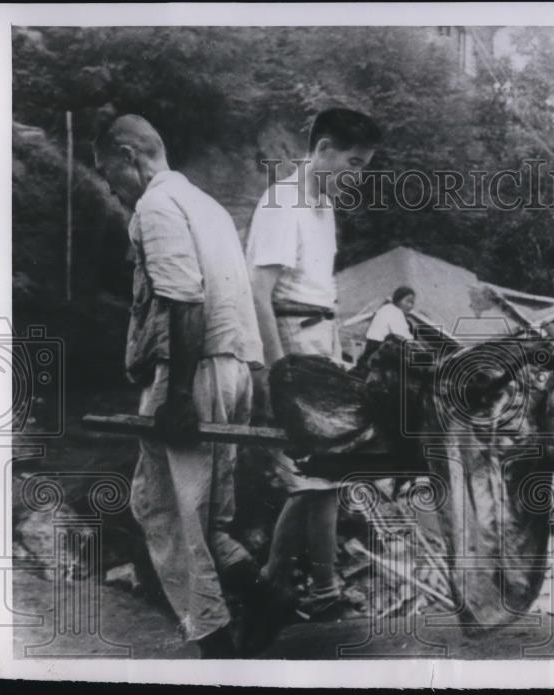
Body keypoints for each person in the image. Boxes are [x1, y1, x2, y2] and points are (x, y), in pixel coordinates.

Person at [94, 115, 272, 658]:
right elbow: (236, 300)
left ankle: (217, 651)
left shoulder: (156, 206)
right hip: (232, 367)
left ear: (129, 155)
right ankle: (263, 598)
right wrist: (254, 384)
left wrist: (176, 398)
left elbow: (184, 299)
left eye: (108, 173)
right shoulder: (208, 206)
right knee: (205, 519)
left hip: (192, 372)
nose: (109, 188)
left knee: (171, 520)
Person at [246, 108, 382, 621]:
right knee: (319, 477)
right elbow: (259, 294)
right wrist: (278, 375)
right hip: (291, 341)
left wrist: (340, 353)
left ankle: (273, 582)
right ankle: (319, 593)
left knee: (322, 476)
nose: (358, 175)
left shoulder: (321, 205)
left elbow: (320, 291)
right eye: (353, 162)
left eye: (365, 165)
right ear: (322, 149)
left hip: (320, 340)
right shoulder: (283, 201)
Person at [356, 286, 416, 371]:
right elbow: (405, 336)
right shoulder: (395, 312)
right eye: (407, 301)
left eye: (412, 303)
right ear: (398, 300)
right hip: (378, 351)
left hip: (370, 348)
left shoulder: (386, 308)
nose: (410, 306)